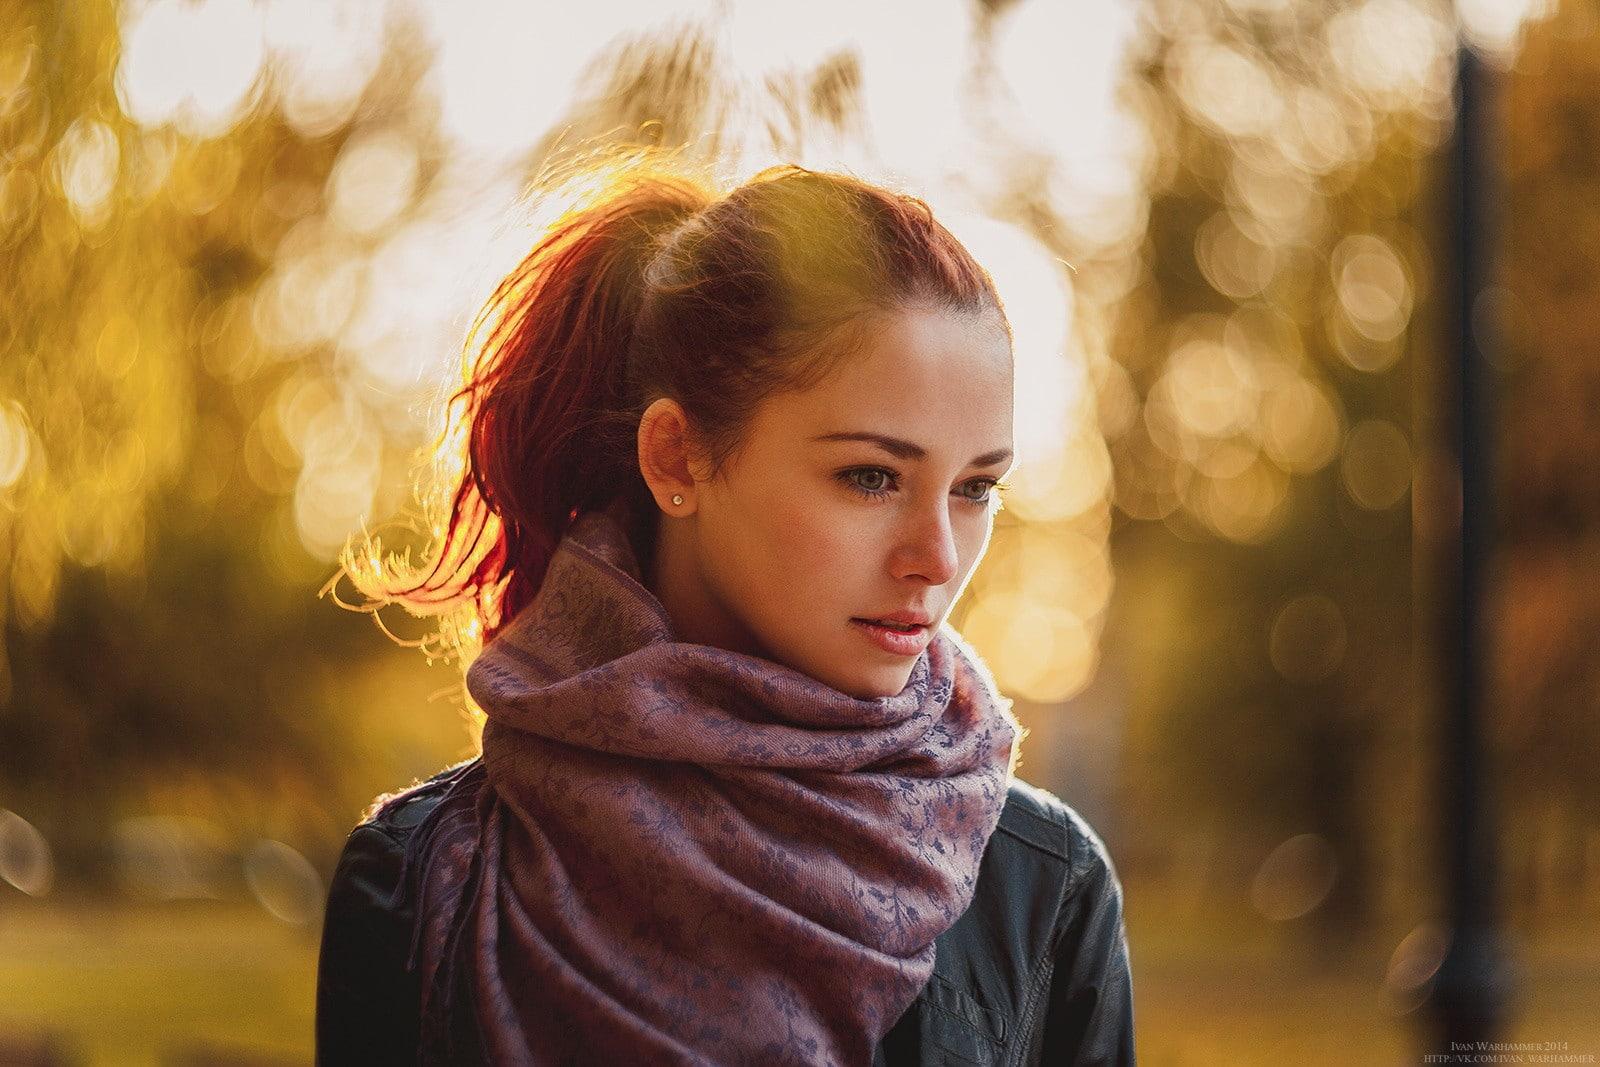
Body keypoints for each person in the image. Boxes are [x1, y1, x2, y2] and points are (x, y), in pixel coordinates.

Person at [314, 158, 1135, 1066]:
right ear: (676, 458)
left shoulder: (1046, 891)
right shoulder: (419, 883)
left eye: (977, 487)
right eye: (871, 477)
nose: (937, 558)